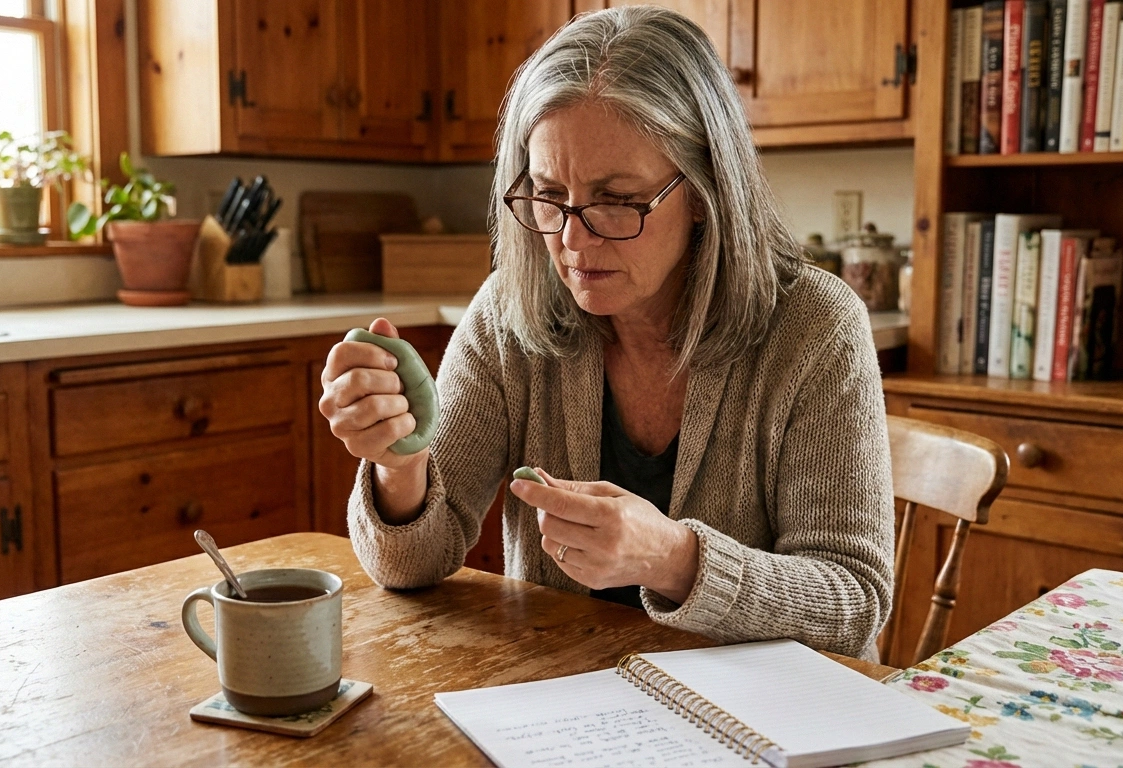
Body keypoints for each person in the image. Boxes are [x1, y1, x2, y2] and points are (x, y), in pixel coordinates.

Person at [318, 6, 894, 661]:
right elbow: (408, 566)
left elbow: (853, 604)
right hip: (568, 709)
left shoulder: (817, 329)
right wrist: (400, 467)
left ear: (705, 191)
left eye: (616, 199)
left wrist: (673, 559)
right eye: (547, 194)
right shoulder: (510, 314)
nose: (571, 240)